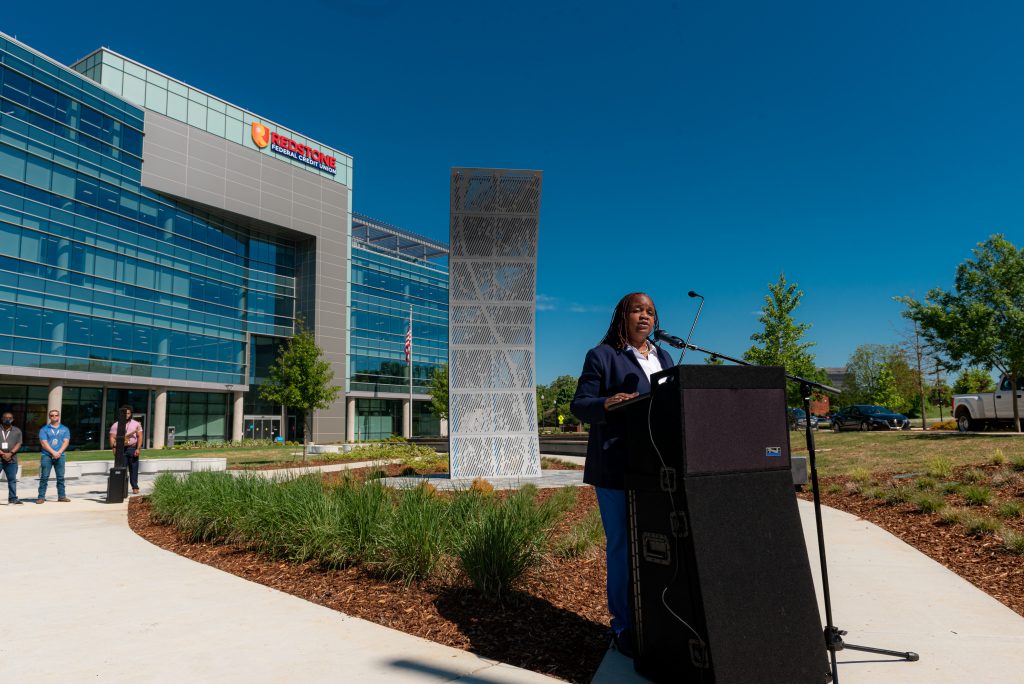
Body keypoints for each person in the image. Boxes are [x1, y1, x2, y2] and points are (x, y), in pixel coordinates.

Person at [570, 292, 674, 659]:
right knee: (621, 547)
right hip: (615, 466)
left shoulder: (663, 357)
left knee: (658, 544)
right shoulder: (601, 356)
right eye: (637, 310)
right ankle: (624, 626)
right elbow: (579, 405)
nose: (644, 316)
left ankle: (660, 618)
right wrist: (607, 403)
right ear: (622, 316)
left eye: (650, 311)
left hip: (657, 468)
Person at [37, 409, 71, 503]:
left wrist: (59, 452)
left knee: (60, 477)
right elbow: (44, 443)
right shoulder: (44, 429)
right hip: (46, 455)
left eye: (56, 415)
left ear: (59, 416)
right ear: (49, 417)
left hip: (60, 455)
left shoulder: (65, 429)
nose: (54, 417)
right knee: (44, 477)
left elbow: (66, 442)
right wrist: (53, 452)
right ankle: (41, 497)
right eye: (52, 415)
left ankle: (62, 496)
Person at [109, 405, 144, 495]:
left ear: (131, 414)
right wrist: (113, 448)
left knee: (134, 469)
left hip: (132, 448)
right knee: (122, 469)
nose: (127, 415)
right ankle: (122, 488)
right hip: (121, 450)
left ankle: (135, 487)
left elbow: (140, 437)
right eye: (125, 413)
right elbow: (112, 437)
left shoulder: (136, 424)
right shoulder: (116, 425)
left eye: (128, 413)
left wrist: (138, 448)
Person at [1, 411, 24, 504]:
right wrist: (2, 454)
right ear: (2, 419)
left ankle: (13, 498)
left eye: (9, 418)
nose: (7, 419)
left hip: (12, 459)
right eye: (5, 417)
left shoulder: (17, 431)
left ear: (13, 419)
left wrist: (10, 453)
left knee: (12, 480)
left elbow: (19, 443)